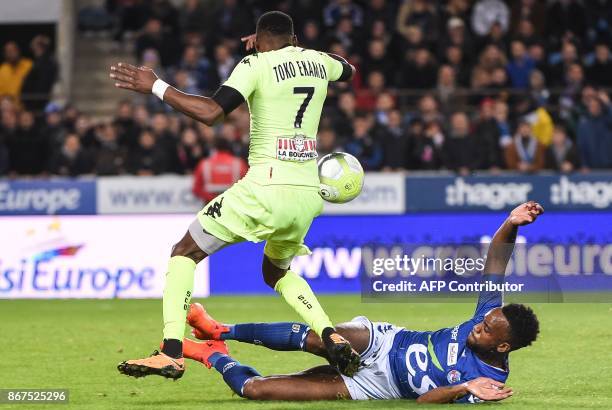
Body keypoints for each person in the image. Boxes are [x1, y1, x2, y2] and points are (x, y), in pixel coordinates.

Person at [110, 10, 360, 380]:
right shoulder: (320, 62)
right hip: (308, 194)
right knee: (276, 272)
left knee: (184, 253)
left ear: (258, 41)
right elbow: (348, 69)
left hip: (265, 186)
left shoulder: (253, 64)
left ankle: (172, 352)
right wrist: (298, 52)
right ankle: (329, 332)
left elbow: (211, 113)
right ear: (292, 40)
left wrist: (156, 86)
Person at [180, 201, 543, 403]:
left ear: (503, 345)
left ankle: (213, 354)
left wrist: (464, 389)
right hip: (385, 342)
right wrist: (511, 222)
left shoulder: (489, 380)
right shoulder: (492, 314)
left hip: (373, 387)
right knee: (323, 336)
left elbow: (424, 402)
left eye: (484, 330)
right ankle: (221, 328)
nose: (477, 326)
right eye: (481, 322)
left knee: (257, 390)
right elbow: (497, 259)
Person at [192, 137, 248, 203]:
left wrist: (212, 198)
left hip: (210, 205)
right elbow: (249, 186)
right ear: (228, 148)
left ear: (214, 149)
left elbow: (196, 189)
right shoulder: (239, 163)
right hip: (233, 204)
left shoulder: (204, 164)